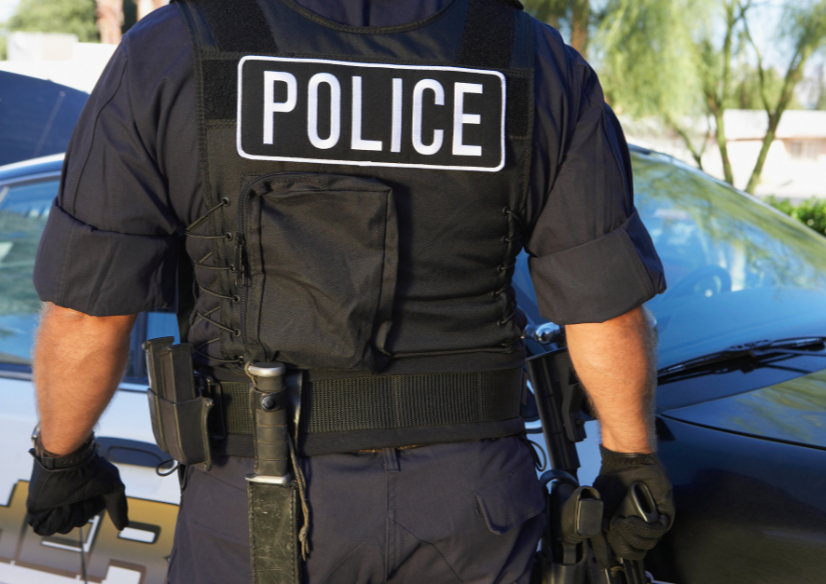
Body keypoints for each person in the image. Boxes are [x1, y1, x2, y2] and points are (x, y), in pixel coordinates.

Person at [25, 1, 674, 583]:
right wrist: (631, 467)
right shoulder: (526, 55)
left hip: (257, 502)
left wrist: (63, 458)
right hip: (472, 504)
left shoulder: (177, 47)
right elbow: (605, 309)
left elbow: (90, 314)